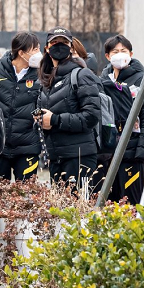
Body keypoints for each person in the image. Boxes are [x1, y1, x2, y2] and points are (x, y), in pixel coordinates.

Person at [35, 28, 101, 191]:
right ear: (47, 49)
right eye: (55, 43)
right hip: (56, 157)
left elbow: (91, 116)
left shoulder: (81, 75)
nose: (59, 46)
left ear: (71, 48)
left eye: (64, 42)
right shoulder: (46, 80)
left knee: (81, 211)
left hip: (80, 158)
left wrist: (56, 120)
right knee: (61, 212)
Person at [99, 35, 144, 205]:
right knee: (110, 204)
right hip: (109, 153)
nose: (119, 54)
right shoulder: (102, 80)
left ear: (131, 54)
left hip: (132, 153)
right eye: (115, 51)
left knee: (131, 204)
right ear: (108, 56)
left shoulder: (141, 79)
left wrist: (142, 152)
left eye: (123, 51)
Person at [0, 32, 43, 181]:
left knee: (27, 196)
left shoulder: (41, 73)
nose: (38, 54)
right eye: (35, 50)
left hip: (28, 145)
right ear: (21, 52)